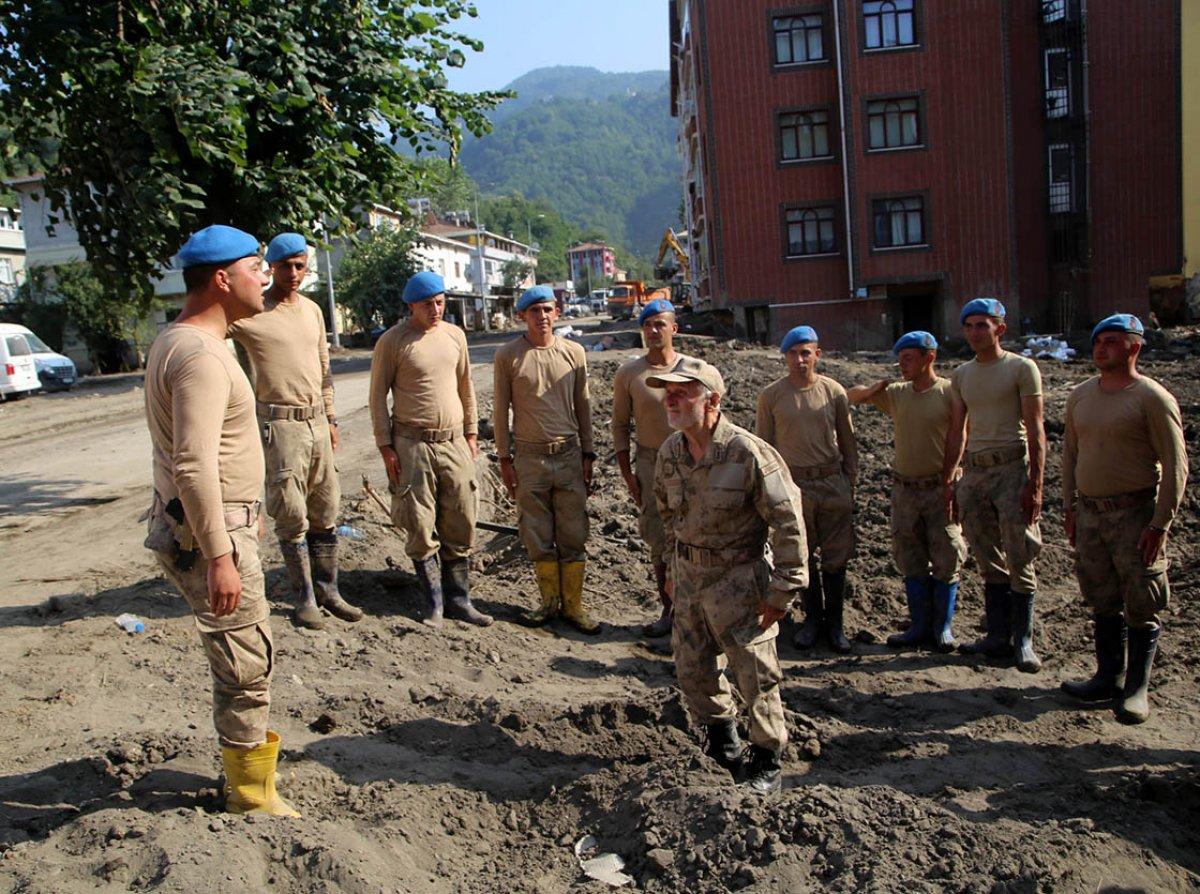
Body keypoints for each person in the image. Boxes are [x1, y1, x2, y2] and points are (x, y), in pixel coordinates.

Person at [142, 225, 297, 816]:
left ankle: (245, 781)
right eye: (255, 266)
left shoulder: (181, 340)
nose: (266, 275)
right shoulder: (202, 356)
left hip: (213, 524)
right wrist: (220, 554)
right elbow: (192, 464)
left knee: (239, 656)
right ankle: (252, 797)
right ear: (220, 279)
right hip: (210, 535)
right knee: (245, 661)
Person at [652, 361, 807, 794]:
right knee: (692, 667)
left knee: (755, 673)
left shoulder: (748, 452)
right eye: (668, 391)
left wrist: (784, 590)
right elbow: (667, 515)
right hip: (688, 579)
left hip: (739, 579)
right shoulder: (670, 452)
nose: (672, 398)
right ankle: (723, 743)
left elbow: (788, 522)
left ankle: (767, 758)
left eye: (683, 392)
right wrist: (669, 566)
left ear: (713, 400)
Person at [228, 232, 360, 630]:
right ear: (271, 268)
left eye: (300, 265)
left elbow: (323, 369)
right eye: (285, 266)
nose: (293, 273)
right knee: (291, 511)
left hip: (317, 421)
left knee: (326, 507)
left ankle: (329, 589)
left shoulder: (313, 311)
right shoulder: (251, 313)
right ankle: (303, 598)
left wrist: (332, 418)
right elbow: (215, 332)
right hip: (280, 424)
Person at [1061, 314, 1188, 723]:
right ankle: (1107, 676)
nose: (1101, 349)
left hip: (1135, 515)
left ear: (1134, 347)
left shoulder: (1152, 398)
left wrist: (1160, 524)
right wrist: (1069, 506)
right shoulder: (1080, 395)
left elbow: (1176, 466)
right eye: (1098, 342)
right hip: (1091, 514)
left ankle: (1136, 689)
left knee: (1141, 599)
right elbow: (1071, 455)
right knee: (1101, 595)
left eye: (1111, 342)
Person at [368, 271, 491, 628]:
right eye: (427, 305)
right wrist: (385, 446)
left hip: (453, 441)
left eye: (440, 302)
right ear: (411, 306)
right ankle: (434, 604)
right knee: (420, 525)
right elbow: (377, 396)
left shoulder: (455, 336)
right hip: (412, 445)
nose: (435, 310)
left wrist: (471, 433)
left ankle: (459, 599)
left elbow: (466, 387)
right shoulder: (393, 342)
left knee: (462, 516)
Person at [942, 298, 1046, 673]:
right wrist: (951, 478)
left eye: (982, 326)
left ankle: (1023, 640)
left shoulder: (1021, 368)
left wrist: (1035, 482)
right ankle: (997, 635)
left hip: (1010, 469)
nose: (974, 333)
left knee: (1020, 553)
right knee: (987, 556)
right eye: (968, 326)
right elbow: (958, 429)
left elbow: (1036, 428)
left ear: (999, 329)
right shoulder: (962, 375)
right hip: (975, 473)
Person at [847, 331, 967, 651]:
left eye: (909, 359)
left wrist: (951, 479)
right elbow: (852, 396)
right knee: (909, 555)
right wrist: (877, 387)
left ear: (930, 358)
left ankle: (942, 628)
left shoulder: (949, 393)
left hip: (939, 487)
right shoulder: (897, 393)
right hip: (904, 490)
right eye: (900, 360)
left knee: (947, 553)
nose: (903, 365)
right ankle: (918, 626)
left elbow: (960, 436)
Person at [493, 285, 598, 633]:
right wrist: (505, 459)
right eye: (534, 311)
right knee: (536, 533)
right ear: (522, 315)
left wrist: (588, 452)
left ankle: (575, 606)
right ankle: (548, 603)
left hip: (568, 455)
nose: (542, 317)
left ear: (557, 313)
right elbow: (500, 411)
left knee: (573, 532)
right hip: (529, 458)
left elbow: (583, 406)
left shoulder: (574, 353)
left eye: (548, 310)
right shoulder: (508, 356)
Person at [755, 325, 857, 653]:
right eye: (792, 354)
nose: (799, 360)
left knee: (836, 557)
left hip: (831, 483)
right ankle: (812, 621)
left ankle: (836, 625)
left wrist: (848, 480)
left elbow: (848, 439)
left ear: (817, 354)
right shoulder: (771, 396)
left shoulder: (834, 392)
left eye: (805, 353)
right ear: (784, 357)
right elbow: (764, 447)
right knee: (803, 556)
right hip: (793, 486)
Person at [612, 298, 701, 637]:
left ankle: (697, 610)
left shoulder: (693, 369)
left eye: (659, 324)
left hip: (691, 459)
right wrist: (628, 475)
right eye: (647, 325)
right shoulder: (630, 374)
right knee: (659, 538)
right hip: (650, 462)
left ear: (673, 328)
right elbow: (620, 426)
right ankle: (669, 611)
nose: (652, 330)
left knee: (697, 533)